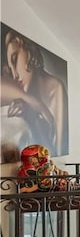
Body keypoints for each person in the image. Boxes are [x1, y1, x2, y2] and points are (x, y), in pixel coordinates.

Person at [2, 28, 68, 158]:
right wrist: (30, 102)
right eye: (11, 69)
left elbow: (57, 152)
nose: (15, 75)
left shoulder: (55, 88)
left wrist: (39, 107)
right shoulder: (24, 101)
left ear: (28, 51)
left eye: (15, 60)